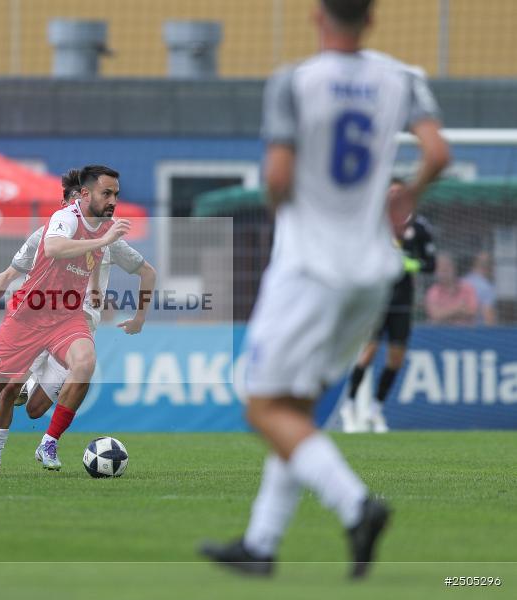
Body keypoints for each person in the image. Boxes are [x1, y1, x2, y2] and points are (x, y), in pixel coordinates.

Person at [199, 0, 449, 579]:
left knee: (261, 406)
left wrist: (290, 205)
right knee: (298, 407)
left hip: (309, 267)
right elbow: (438, 153)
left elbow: (279, 179)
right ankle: (262, 545)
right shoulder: (402, 78)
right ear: (372, 18)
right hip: (373, 271)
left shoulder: (294, 81)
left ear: (317, 17)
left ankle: (356, 505)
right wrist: (408, 193)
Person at [0, 165, 129, 476]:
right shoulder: (64, 220)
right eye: (107, 193)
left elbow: (102, 268)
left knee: (84, 363)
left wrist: (99, 291)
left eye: (116, 194)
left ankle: (48, 442)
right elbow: (52, 249)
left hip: (67, 316)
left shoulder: (105, 227)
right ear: (82, 197)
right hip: (28, 317)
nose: (113, 200)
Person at [0, 169, 156, 476]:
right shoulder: (47, 234)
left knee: (35, 410)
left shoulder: (107, 236)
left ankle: (43, 429)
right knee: (7, 389)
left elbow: (144, 271)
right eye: (70, 204)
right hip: (36, 318)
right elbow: (9, 273)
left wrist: (138, 316)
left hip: (76, 326)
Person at [340, 180, 436, 434]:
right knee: (368, 352)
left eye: (397, 192)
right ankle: (349, 406)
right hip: (376, 301)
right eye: (389, 192)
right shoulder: (373, 225)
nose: (393, 196)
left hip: (402, 302)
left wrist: (409, 264)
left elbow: (430, 264)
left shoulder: (420, 227)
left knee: (396, 359)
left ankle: (375, 409)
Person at [425, 252, 479, 325]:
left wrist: (444, 313)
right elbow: (435, 315)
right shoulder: (433, 291)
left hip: (465, 333)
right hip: (441, 333)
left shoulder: (468, 288)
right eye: (440, 268)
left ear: (454, 268)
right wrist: (458, 308)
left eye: (447, 266)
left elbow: (472, 312)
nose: (444, 270)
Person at [463, 251, 496, 325]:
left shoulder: (463, 281)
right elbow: (489, 318)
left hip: (458, 330)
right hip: (478, 332)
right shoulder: (486, 287)